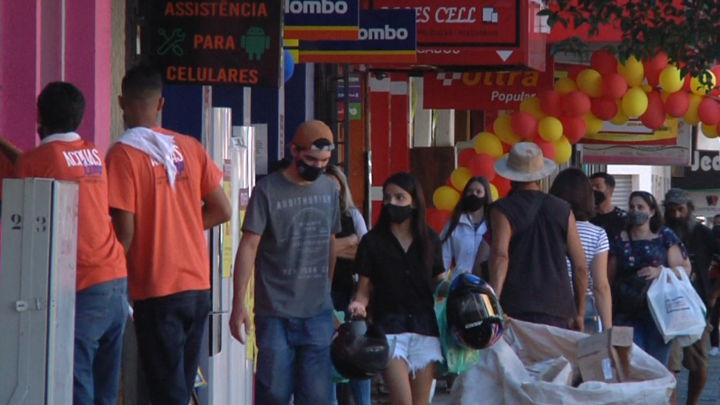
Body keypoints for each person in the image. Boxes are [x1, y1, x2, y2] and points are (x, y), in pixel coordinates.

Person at [106, 66, 231, 404]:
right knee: (180, 385)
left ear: (121, 102)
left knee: (166, 392)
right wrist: (183, 225)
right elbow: (223, 209)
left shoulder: (123, 154)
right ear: (161, 104)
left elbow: (125, 230)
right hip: (197, 287)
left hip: (156, 288)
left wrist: (113, 278)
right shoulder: (189, 147)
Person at [13, 82, 128, 405]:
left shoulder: (36, 162)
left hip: (84, 287)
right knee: (105, 390)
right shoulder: (92, 152)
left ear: (40, 116)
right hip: (116, 282)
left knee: (77, 388)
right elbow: (50, 163)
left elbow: (24, 191)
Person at [229, 120, 340, 405]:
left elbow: (330, 243)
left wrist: (327, 294)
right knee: (274, 394)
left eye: (325, 161)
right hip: (275, 312)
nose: (318, 166)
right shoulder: (267, 190)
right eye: (311, 159)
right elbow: (248, 246)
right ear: (294, 150)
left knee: (317, 397)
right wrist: (238, 303)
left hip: (317, 313)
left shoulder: (329, 191)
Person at [349, 172, 445, 405]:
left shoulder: (430, 240)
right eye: (387, 197)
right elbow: (363, 288)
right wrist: (358, 305)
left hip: (425, 330)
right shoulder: (372, 242)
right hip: (388, 330)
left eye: (400, 198)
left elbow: (439, 283)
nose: (392, 203)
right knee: (402, 401)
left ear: (414, 202)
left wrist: (455, 292)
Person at [488, 142, 588, 330]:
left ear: (510, 177)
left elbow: (500, 256)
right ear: (540, 177)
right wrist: (579, 312)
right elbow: (580, 267)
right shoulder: (563, 209)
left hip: (516, 306)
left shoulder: (503, 209)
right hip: (560, 308)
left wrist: (495, 303)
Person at [608, 191, 690, 366]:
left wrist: (661, 271)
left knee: (657, 366)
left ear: (652, 211)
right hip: (627, 313)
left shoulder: (664, 236)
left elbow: (685, 269)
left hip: (659, 313)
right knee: (633, 364)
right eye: (632, 207)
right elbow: (610, 278)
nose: (635, 211)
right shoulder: (619, 240)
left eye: (640, 207)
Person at [664, 189, 717, 405]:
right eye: (672, 210)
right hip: (666, 309)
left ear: (689, 210)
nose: (676, 215)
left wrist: (714, 294)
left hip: (698, 307)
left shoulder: (703, 234)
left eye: (680, 210)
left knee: (700, 366)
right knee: (670, 366)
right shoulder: (660, 232)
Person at [324, 164, 371, 405]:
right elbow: (317, 250)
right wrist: (349, 241)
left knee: (357, 354)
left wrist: (333, 248)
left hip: (350, 294)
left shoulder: (352, 215)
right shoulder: (316, 214)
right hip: (323, 294)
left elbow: (363, 252)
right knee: (328, 357)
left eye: (336, 185)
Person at [549, 168, 612, 333]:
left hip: (549, 302)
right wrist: (608, 328)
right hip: (584, 305)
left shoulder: (546, 227)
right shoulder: (597, 234)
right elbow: (600, 286)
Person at [440, 176, 493, 281]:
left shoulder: (493, 225)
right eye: (470, 191)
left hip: (486, 286)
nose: (474, 195)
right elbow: (443, 257)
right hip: (459, 284)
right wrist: (441, 285)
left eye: (478, 192)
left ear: (486, 195)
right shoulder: (454, 224)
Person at [591, 172, 628, 243]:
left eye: (598, 186)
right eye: (591, 187)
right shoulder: (587, 218)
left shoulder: (623, 218)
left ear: (610, 191)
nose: (593, 190)